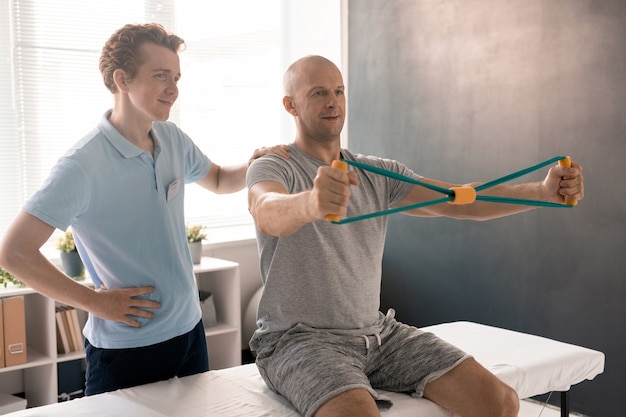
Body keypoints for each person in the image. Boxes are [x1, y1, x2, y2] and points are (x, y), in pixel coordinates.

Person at [246, 55, 584, 417]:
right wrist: (312, 203)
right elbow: (267, 210)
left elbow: (462, 200)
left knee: (500, 402)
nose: (333, 101)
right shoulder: (273, 165)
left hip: (377, 335)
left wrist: (544, 192)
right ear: (290, 105)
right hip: (299, 341)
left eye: (339, 91)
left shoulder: (378, 173)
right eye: (318, 92)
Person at [0, 23, 288, 395]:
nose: (173, 89)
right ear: (122, 79)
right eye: (160, 76)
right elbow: (13, 252)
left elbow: (216, 179)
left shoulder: (171, 138)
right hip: (127, 350)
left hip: (189, 332)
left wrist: (254, 163)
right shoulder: (81, 165)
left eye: (176, 77)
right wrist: (94, 303)